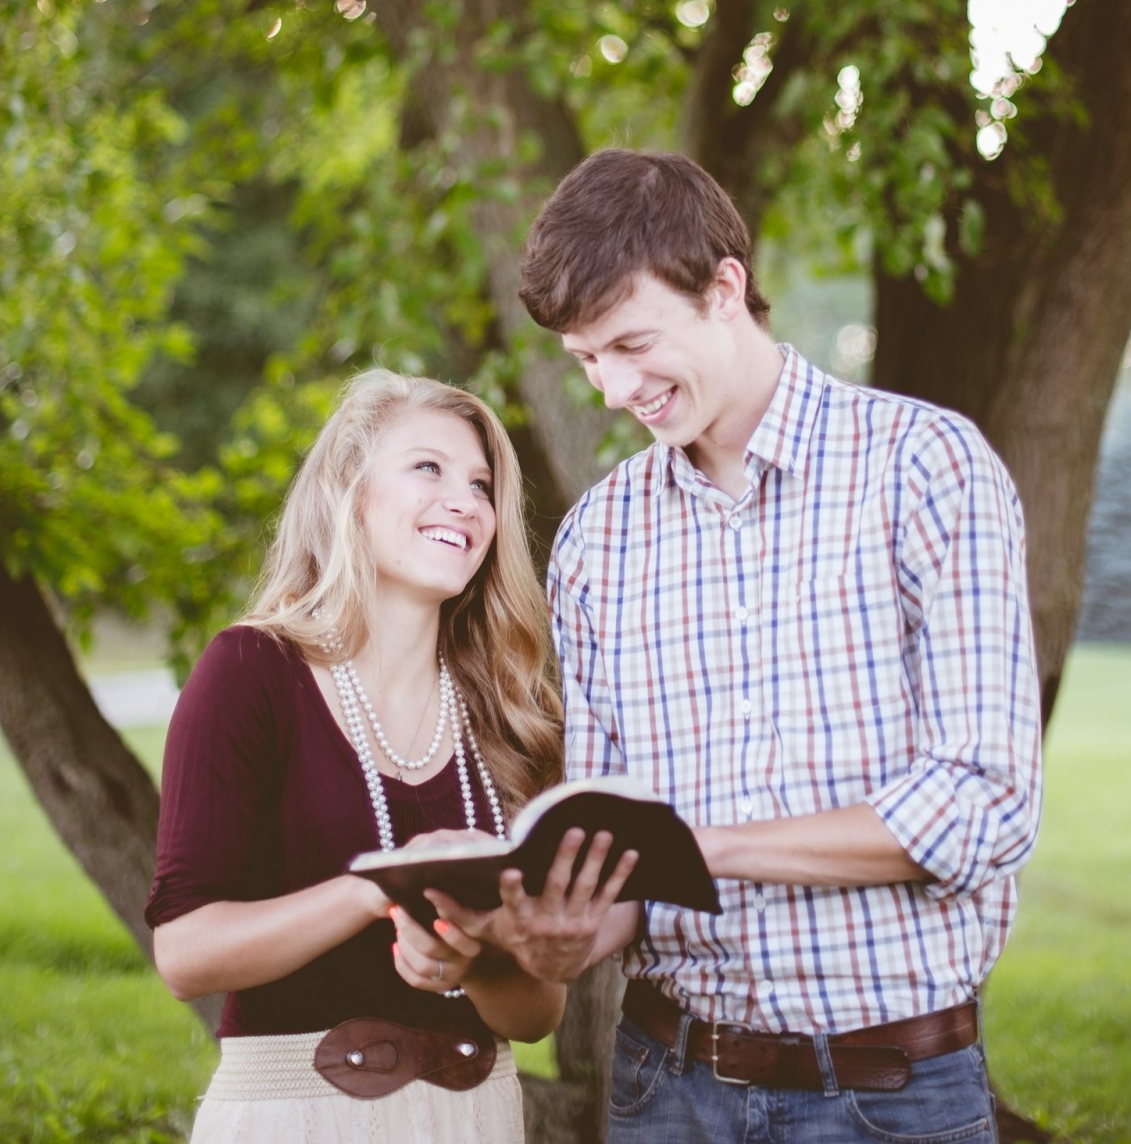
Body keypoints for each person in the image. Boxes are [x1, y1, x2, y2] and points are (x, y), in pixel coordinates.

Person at [443, 149, 1044, 1143]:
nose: (611, 387)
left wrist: (701, 852)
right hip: (663, 1087)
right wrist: (552, 937)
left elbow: (983, 803)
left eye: (633, 343)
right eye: (588, 358)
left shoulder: (922, 467)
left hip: (886, 1091)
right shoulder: (601, 539)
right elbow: (615, 854)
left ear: (725, 288)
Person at [144, 369, 566, 1142]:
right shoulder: (250, 672)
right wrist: (382, 890)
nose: (465, 502)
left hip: (478, 1120)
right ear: (349, 490)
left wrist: (470, 958)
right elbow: (184, 951)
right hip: (297, 1118)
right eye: (427, 468)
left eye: (481, 485)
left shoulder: (506, 711)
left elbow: (539, 1015)